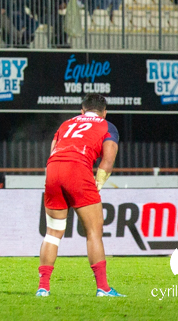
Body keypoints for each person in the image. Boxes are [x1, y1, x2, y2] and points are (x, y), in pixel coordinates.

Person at [37, 93, 123, 298]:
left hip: (53, 170)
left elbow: (53, 151)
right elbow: (108, 160)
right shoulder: (106, 126)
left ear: (82, 111)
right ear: (104, 112)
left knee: (53, 233)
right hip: (78, 169)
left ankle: (43, 288)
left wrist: (52, 178)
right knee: (94, 231)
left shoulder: (66, 124)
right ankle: (103, 288)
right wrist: (97, 185)